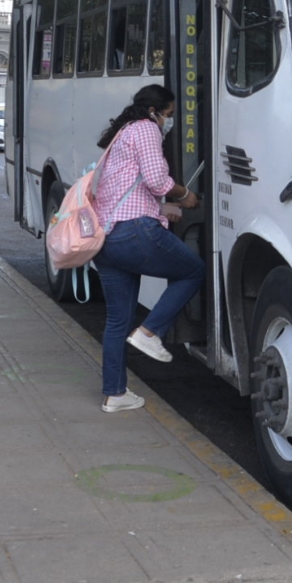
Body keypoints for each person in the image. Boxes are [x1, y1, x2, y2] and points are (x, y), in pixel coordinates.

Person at [89, 84, 203, 413]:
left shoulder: (122, 133)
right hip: (134, 233)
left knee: (117, 321)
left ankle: (115, 394)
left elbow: (128, 187)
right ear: (155, 112)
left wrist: (160, 209)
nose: (168, 121)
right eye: (168, 114)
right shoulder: (146, 129)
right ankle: (151, 332)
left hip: (106, 239)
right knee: (193, 271)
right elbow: (156, 180)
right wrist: (184, 196)